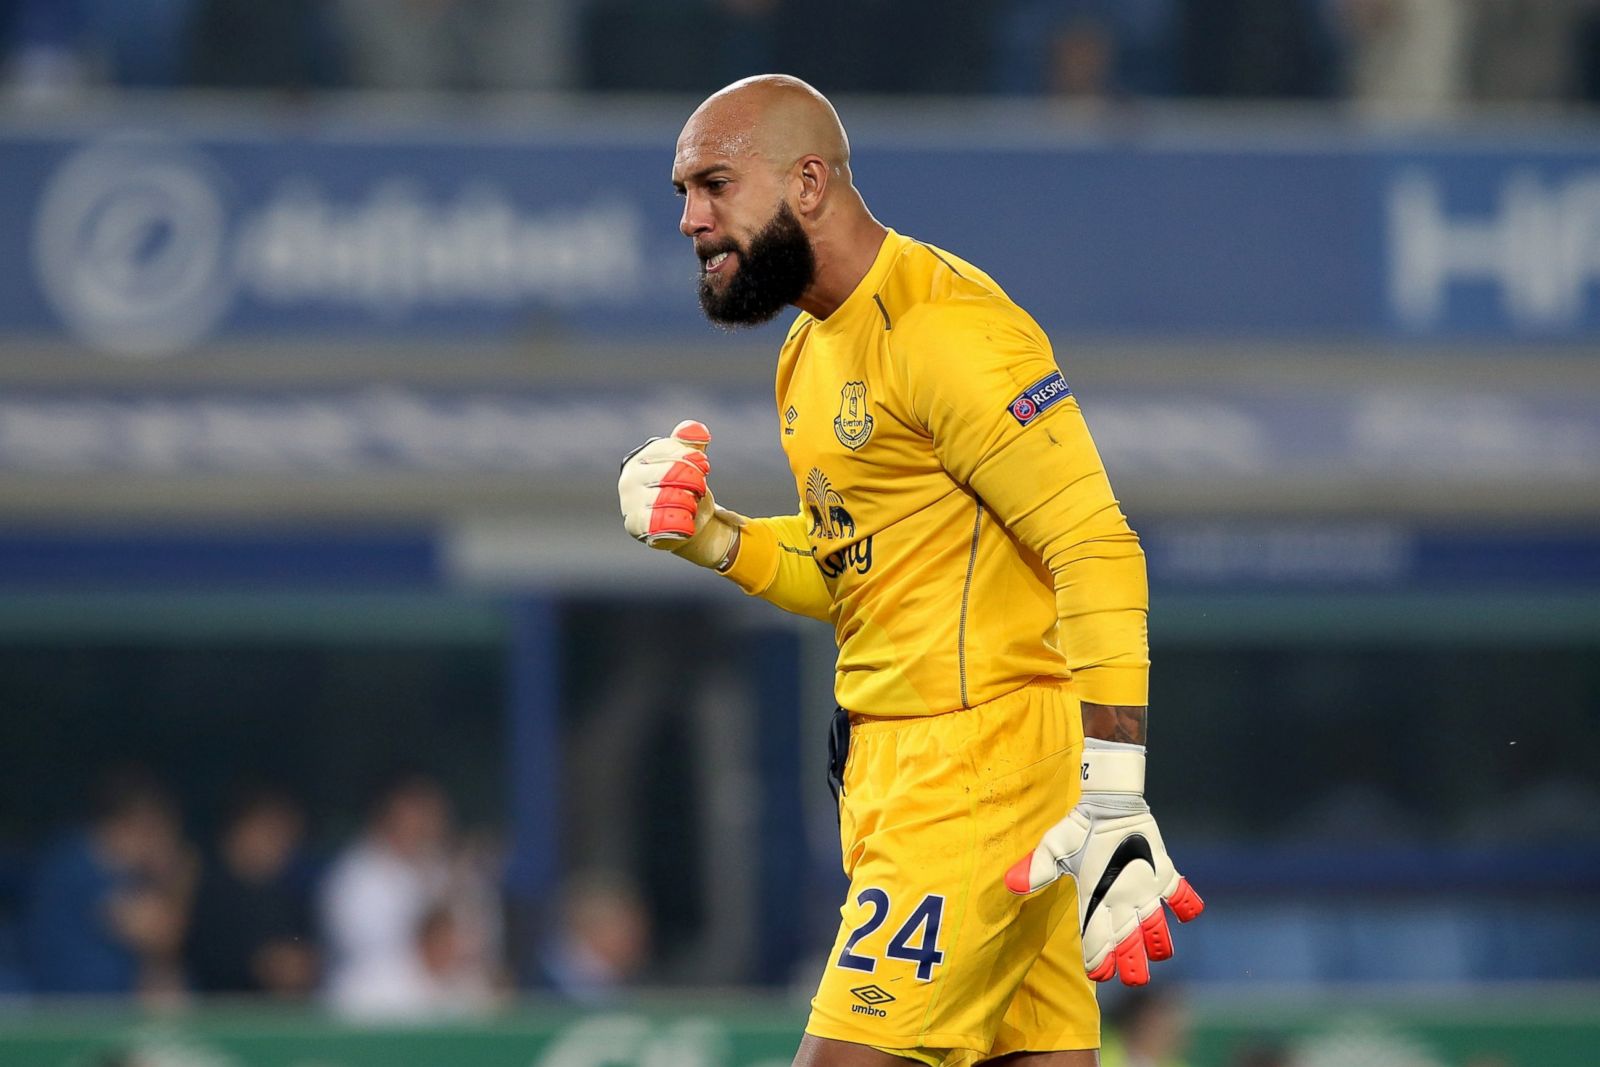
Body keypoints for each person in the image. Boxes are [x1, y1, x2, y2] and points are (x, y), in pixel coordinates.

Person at [617, 75, 1202, 1067]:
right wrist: (717, 537)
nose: (688, 219)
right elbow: (858, 569)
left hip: (974, 775)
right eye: (683, 191)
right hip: (910, 775)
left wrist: (1115, 792)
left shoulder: (948, 329)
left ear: (808, 182)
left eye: (713, 185)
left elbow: (1096, 545)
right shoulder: (807, 350)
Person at [185, 786, 318, 998]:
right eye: (269, 830)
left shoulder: (287, 897)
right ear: (236, 831)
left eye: (286, 833)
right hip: (217, 1019)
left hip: (281, 1021)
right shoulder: (208, 891)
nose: (281, 842)